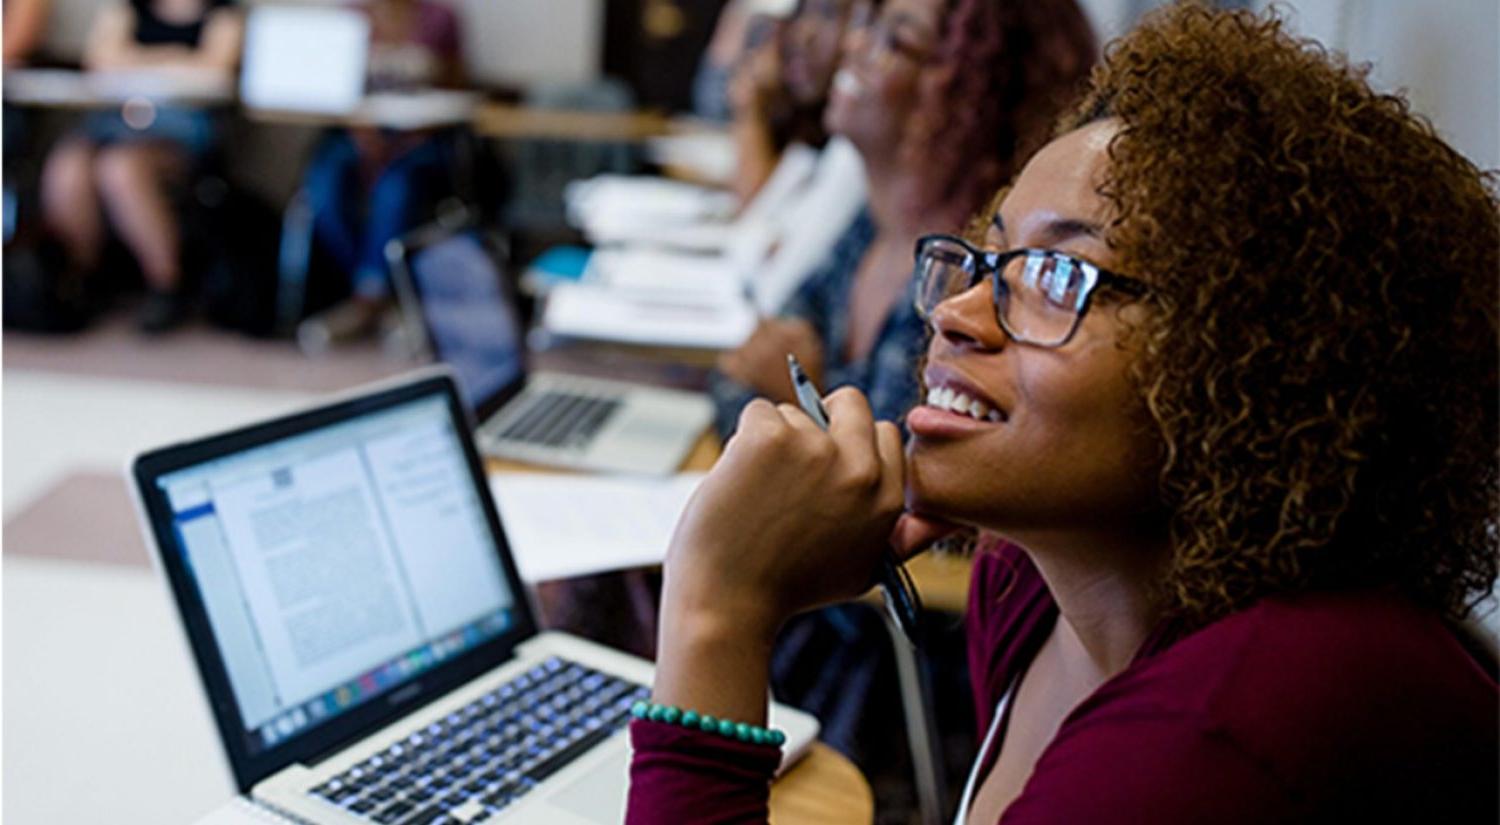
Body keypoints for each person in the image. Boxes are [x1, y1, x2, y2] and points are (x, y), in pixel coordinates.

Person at [627, 3, 1499, 822]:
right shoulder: (1028, 579)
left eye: (1056, 277)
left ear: (1258, 359)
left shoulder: (1217, 731)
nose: (954, 312)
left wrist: (716, 609)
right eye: (987, 256)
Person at [37, 0, 241, 331]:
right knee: (69, 164)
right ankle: (79, 279)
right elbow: (99, 61)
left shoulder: (222, 14)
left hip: (181, 129)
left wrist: (135, 62)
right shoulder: (129, 8)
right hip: (115, 120)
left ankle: (166, 282)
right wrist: (176, 60)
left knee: (121, 168)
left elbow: (214, 70)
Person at [293, 0, 464, 354]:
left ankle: (367, 298)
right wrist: (361, 132)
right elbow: (330, 88)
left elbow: (457, 86)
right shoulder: (351, 18)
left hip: (420, 138)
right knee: (325, 185)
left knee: (395, 188)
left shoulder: (440, 18)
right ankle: (376, 296)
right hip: (357, 134)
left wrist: (414, 129)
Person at [726, 0, 853, 204]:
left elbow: (755, 204)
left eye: (828, 14)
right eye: (800, 13)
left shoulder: (848, 149)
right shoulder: (804, 119)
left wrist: (752, 106)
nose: (804, 33)